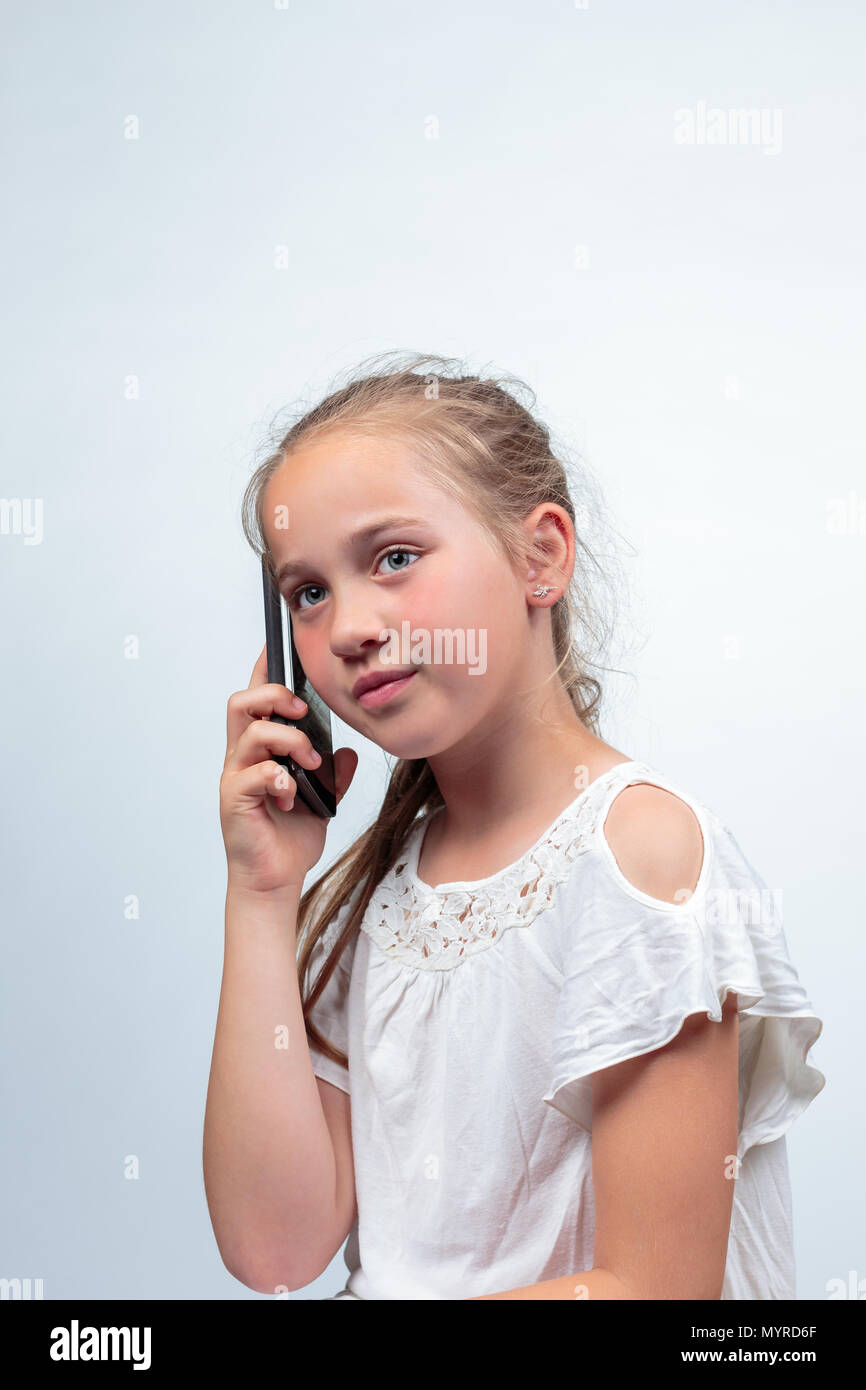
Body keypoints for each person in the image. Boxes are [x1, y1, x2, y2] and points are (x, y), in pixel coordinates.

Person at [203, 351, 825, 1301]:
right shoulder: (360, 901)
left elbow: (655, 1292)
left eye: (395, 558)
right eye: (309, 593)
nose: (350, 626)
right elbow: (273, 1252)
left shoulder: (637, 861)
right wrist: (262, 893)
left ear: (540, 558)